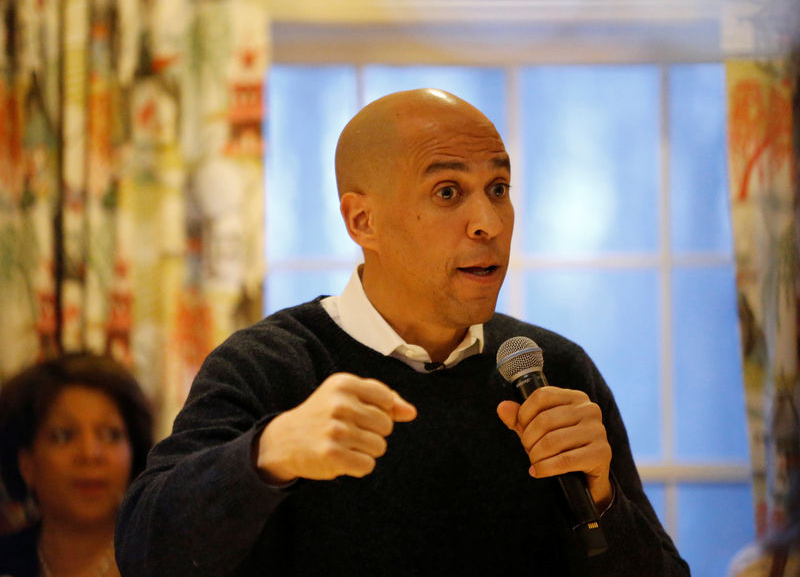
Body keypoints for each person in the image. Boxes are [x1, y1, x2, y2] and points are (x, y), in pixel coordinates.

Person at [115, 88, 690, 575]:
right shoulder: (269, 365)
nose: (488, 222)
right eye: (448, 192)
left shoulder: (552, 367)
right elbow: (144, 549)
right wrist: (266, 455)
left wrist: (605, 501)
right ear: (363, 221)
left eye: (498, 188)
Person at [0, 353, 153, 577]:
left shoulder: (168, 560)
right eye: (64, 436)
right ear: (27, 465)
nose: (90, 454)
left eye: (111, 435)